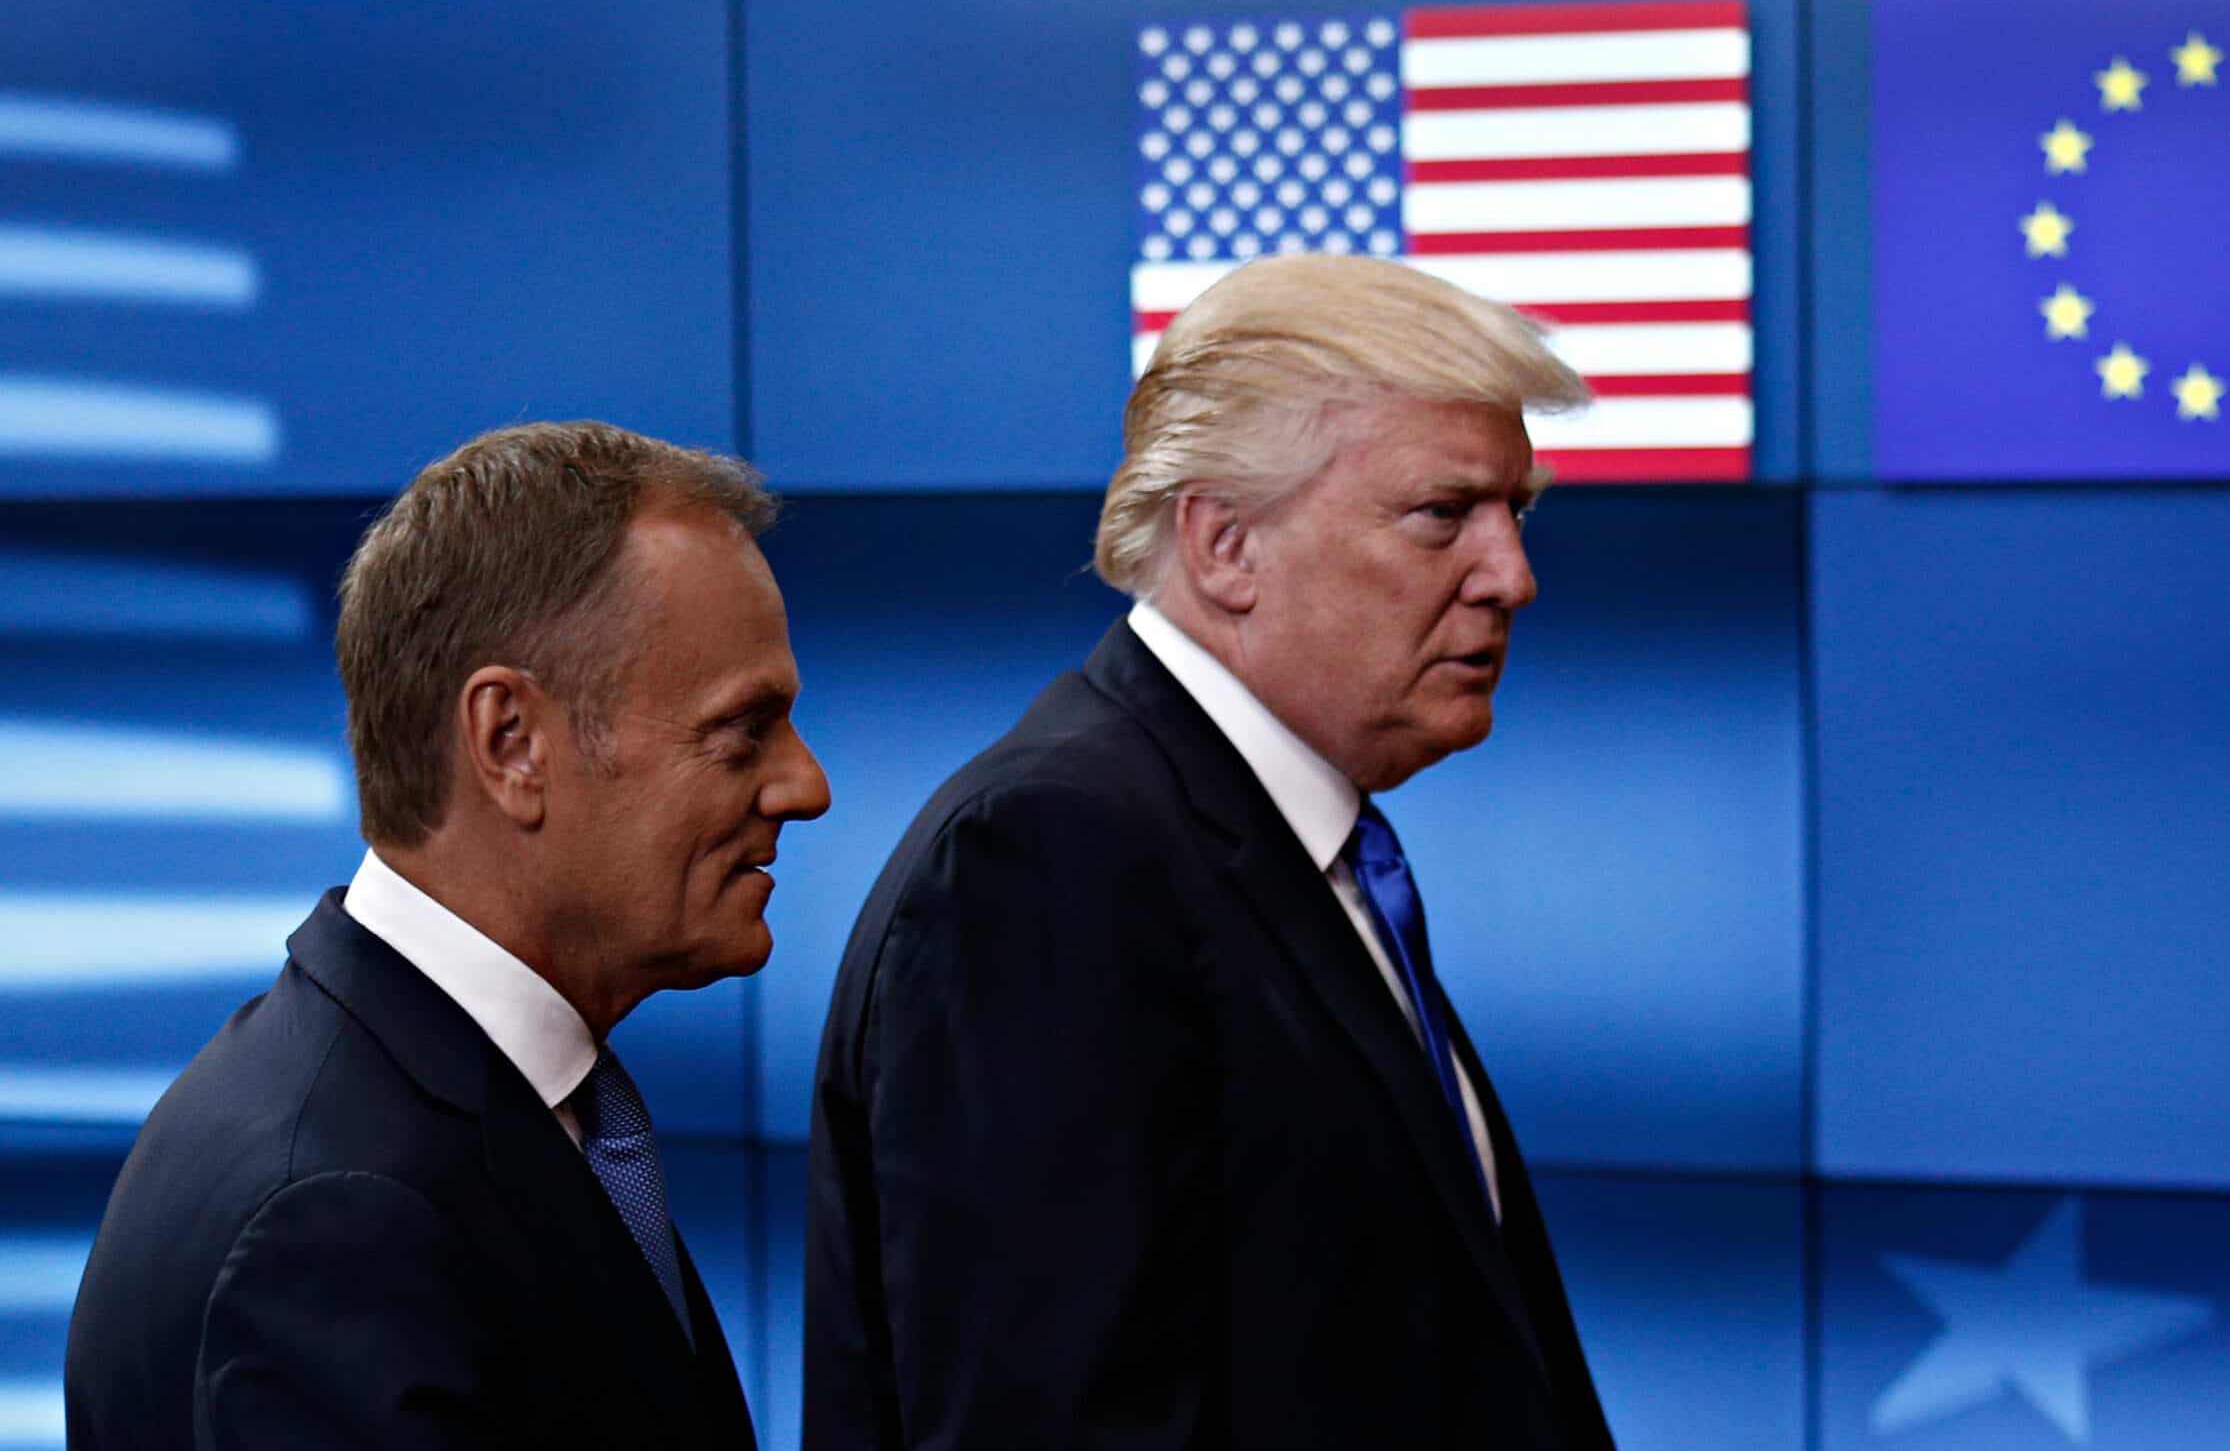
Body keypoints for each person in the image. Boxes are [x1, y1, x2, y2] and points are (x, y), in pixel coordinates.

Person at [803, 255, 1615, 1450]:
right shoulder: (1051, 857)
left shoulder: (1290, 839)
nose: (1512, 576)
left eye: (1516, 512)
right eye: (1443, 514)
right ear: (1226, 543)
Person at [65, 420, 831, 1449]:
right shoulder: (335, 1218)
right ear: (510, 742)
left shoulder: (435, 1112)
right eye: (743, 730)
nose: (805, 785)